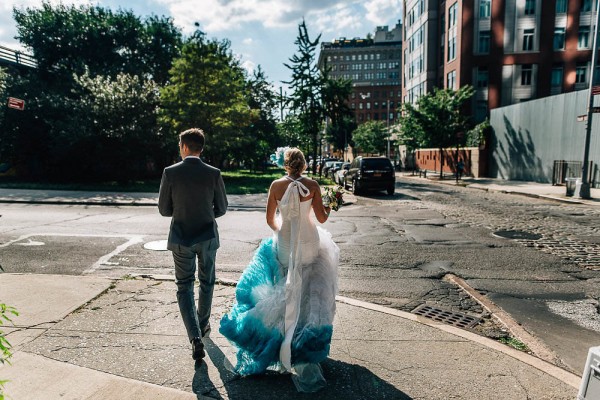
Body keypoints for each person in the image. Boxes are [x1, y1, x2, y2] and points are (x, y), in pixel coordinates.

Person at [220, 147, 339, 392]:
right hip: (309, 241)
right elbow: (322, 218)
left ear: (285, 164)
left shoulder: (275, 185)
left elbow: (269, 219)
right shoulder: (313, 185)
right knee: (307, 291)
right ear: (303, 164)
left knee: (285, 286)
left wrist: (281, 232)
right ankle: (302, 341)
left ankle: (280, 337)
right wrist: (330, 204)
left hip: (286, 242)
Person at [158, 128, 228, 361]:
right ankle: (202, 325)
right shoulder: (214, 173)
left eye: (180, 145)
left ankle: (194, 337)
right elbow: (222, 207)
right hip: (207, 236)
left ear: (185, 147)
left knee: (184, 286)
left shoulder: (170, 172)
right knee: (207, 281)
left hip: (181, 237)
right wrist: (206, 214)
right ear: (201, 148)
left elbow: (164, 209)